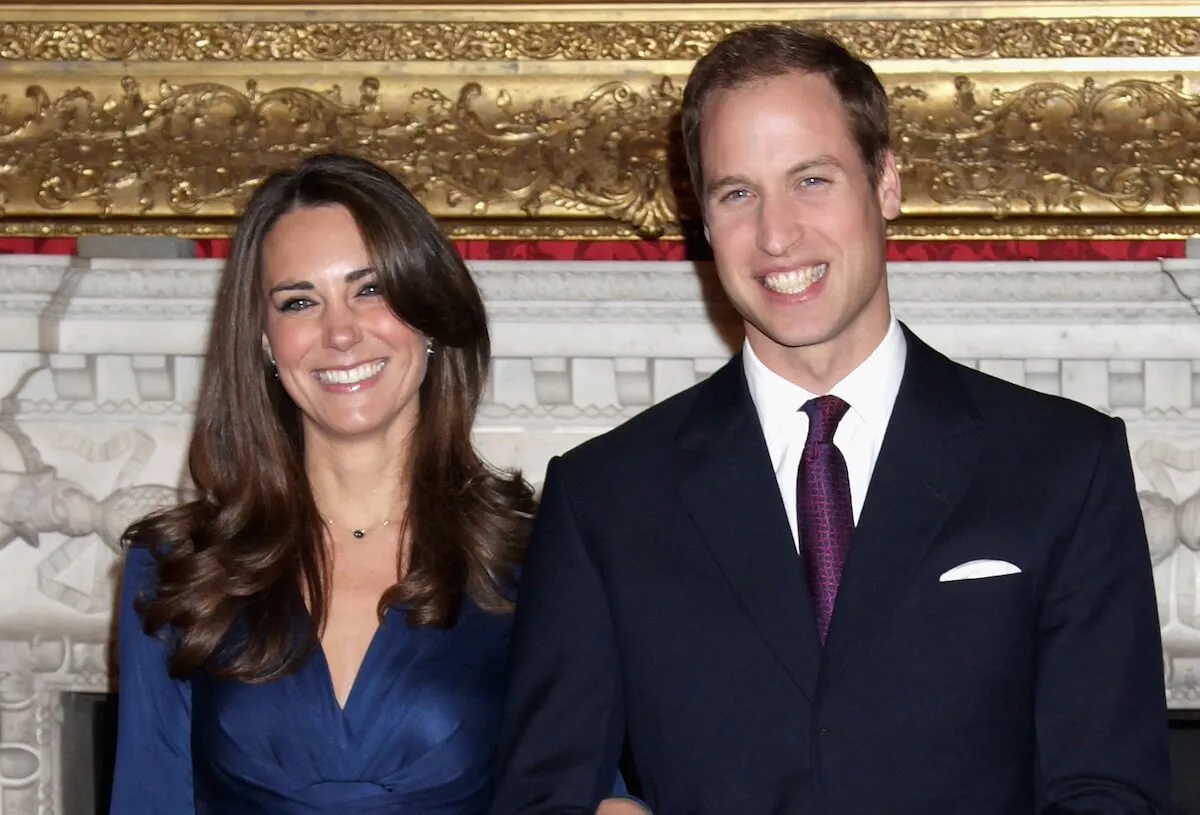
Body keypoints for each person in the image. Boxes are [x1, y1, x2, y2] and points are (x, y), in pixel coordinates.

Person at [489, 25, 1171, 815]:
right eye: (737, 193)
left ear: (885, 184)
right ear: (703, 220)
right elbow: (544, 796)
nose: (776, 235)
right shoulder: (604, 497)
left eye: (811, 180)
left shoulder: (1062, 464)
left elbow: (1110, 791)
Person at [109, 153, 647, 814]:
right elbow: (146, 798)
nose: (340, 332)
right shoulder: (175, 570)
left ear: (427, 312)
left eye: (370, 289)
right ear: (264, 340)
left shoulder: (539, 563)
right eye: (299, 301)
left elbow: (591, 796)